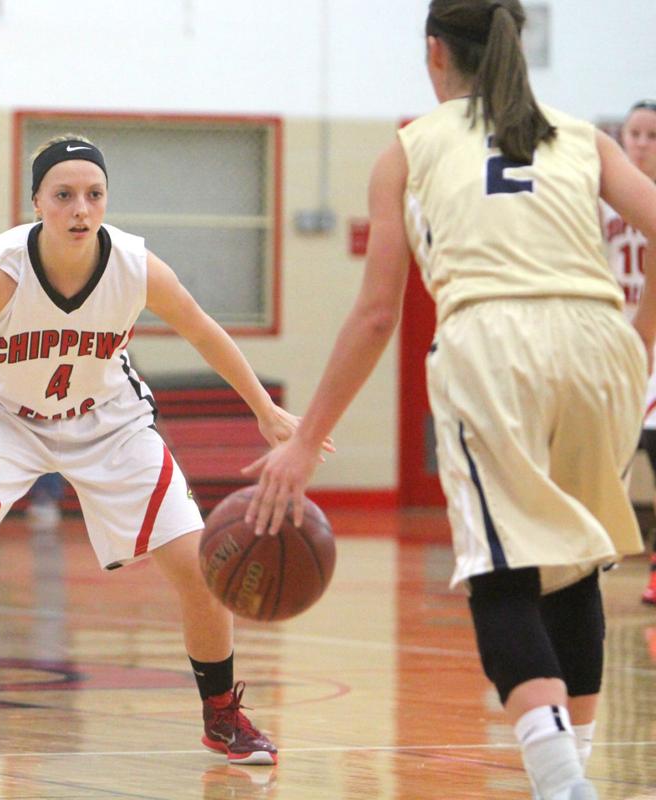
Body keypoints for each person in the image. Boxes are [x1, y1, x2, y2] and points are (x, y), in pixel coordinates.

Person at [0, 133, 324, 771]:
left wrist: (266, 412)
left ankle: (222, 717)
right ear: (37, 203)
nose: (81, 209)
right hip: (4, 420)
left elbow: (204, 332)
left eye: (94, 195)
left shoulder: (136, 265)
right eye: (65, 195)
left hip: (109, 421)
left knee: (201, 568)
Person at [245, 3, 656, 799]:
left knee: (501, 570)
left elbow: (375, 315)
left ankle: (562, 782)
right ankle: (575, 768)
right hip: (602, 344)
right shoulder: (580, 135)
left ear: (435, 52)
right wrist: (642, 334)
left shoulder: (411, 146)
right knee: (570, 567)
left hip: (493, 346)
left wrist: (304, 442)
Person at [601, 98, 656, 606]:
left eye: (650, 135)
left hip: (653, 340)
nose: (639, 143)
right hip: (609, 342)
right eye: (633, 133)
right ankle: (592, 547)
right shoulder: (599, 199)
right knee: (603, 453)